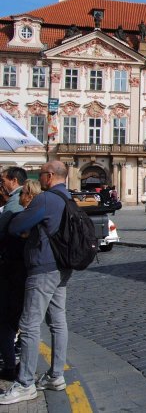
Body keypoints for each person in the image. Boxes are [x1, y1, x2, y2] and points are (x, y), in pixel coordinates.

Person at [0, 161, 72, 405]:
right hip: (62, 267)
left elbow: (16, 226)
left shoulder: (46, 199)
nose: (38, 178)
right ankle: (56, 376)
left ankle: (25, 383)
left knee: (29, 325)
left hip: (42, 267)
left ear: (49, 176)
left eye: (40, 174)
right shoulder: (67, 197)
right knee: (58, 322)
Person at [0, 168, 29, 381]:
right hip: (19, 268)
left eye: (3, 180)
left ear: (13, 180)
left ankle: (12, 366)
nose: (2, 184)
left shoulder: (13, 204)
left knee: (7, 319)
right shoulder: (18, 203)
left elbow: (3, 234)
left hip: (11, 269)